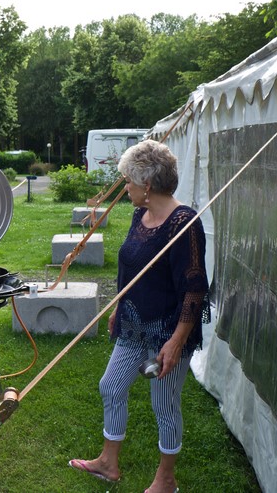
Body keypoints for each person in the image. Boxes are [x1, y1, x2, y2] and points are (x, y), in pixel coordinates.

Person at [68, 140, 210, 493]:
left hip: (168, 330)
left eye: (128, 180)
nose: (125, 187)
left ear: (146, 185)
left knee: (164, 403)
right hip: (133, 324)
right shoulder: (139, 215)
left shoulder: (185, 223)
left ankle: (166, 480)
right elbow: (132, 270)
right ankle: (108, 463)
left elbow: (194, 289)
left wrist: (176, 342)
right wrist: (119, 306)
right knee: (110, 386)